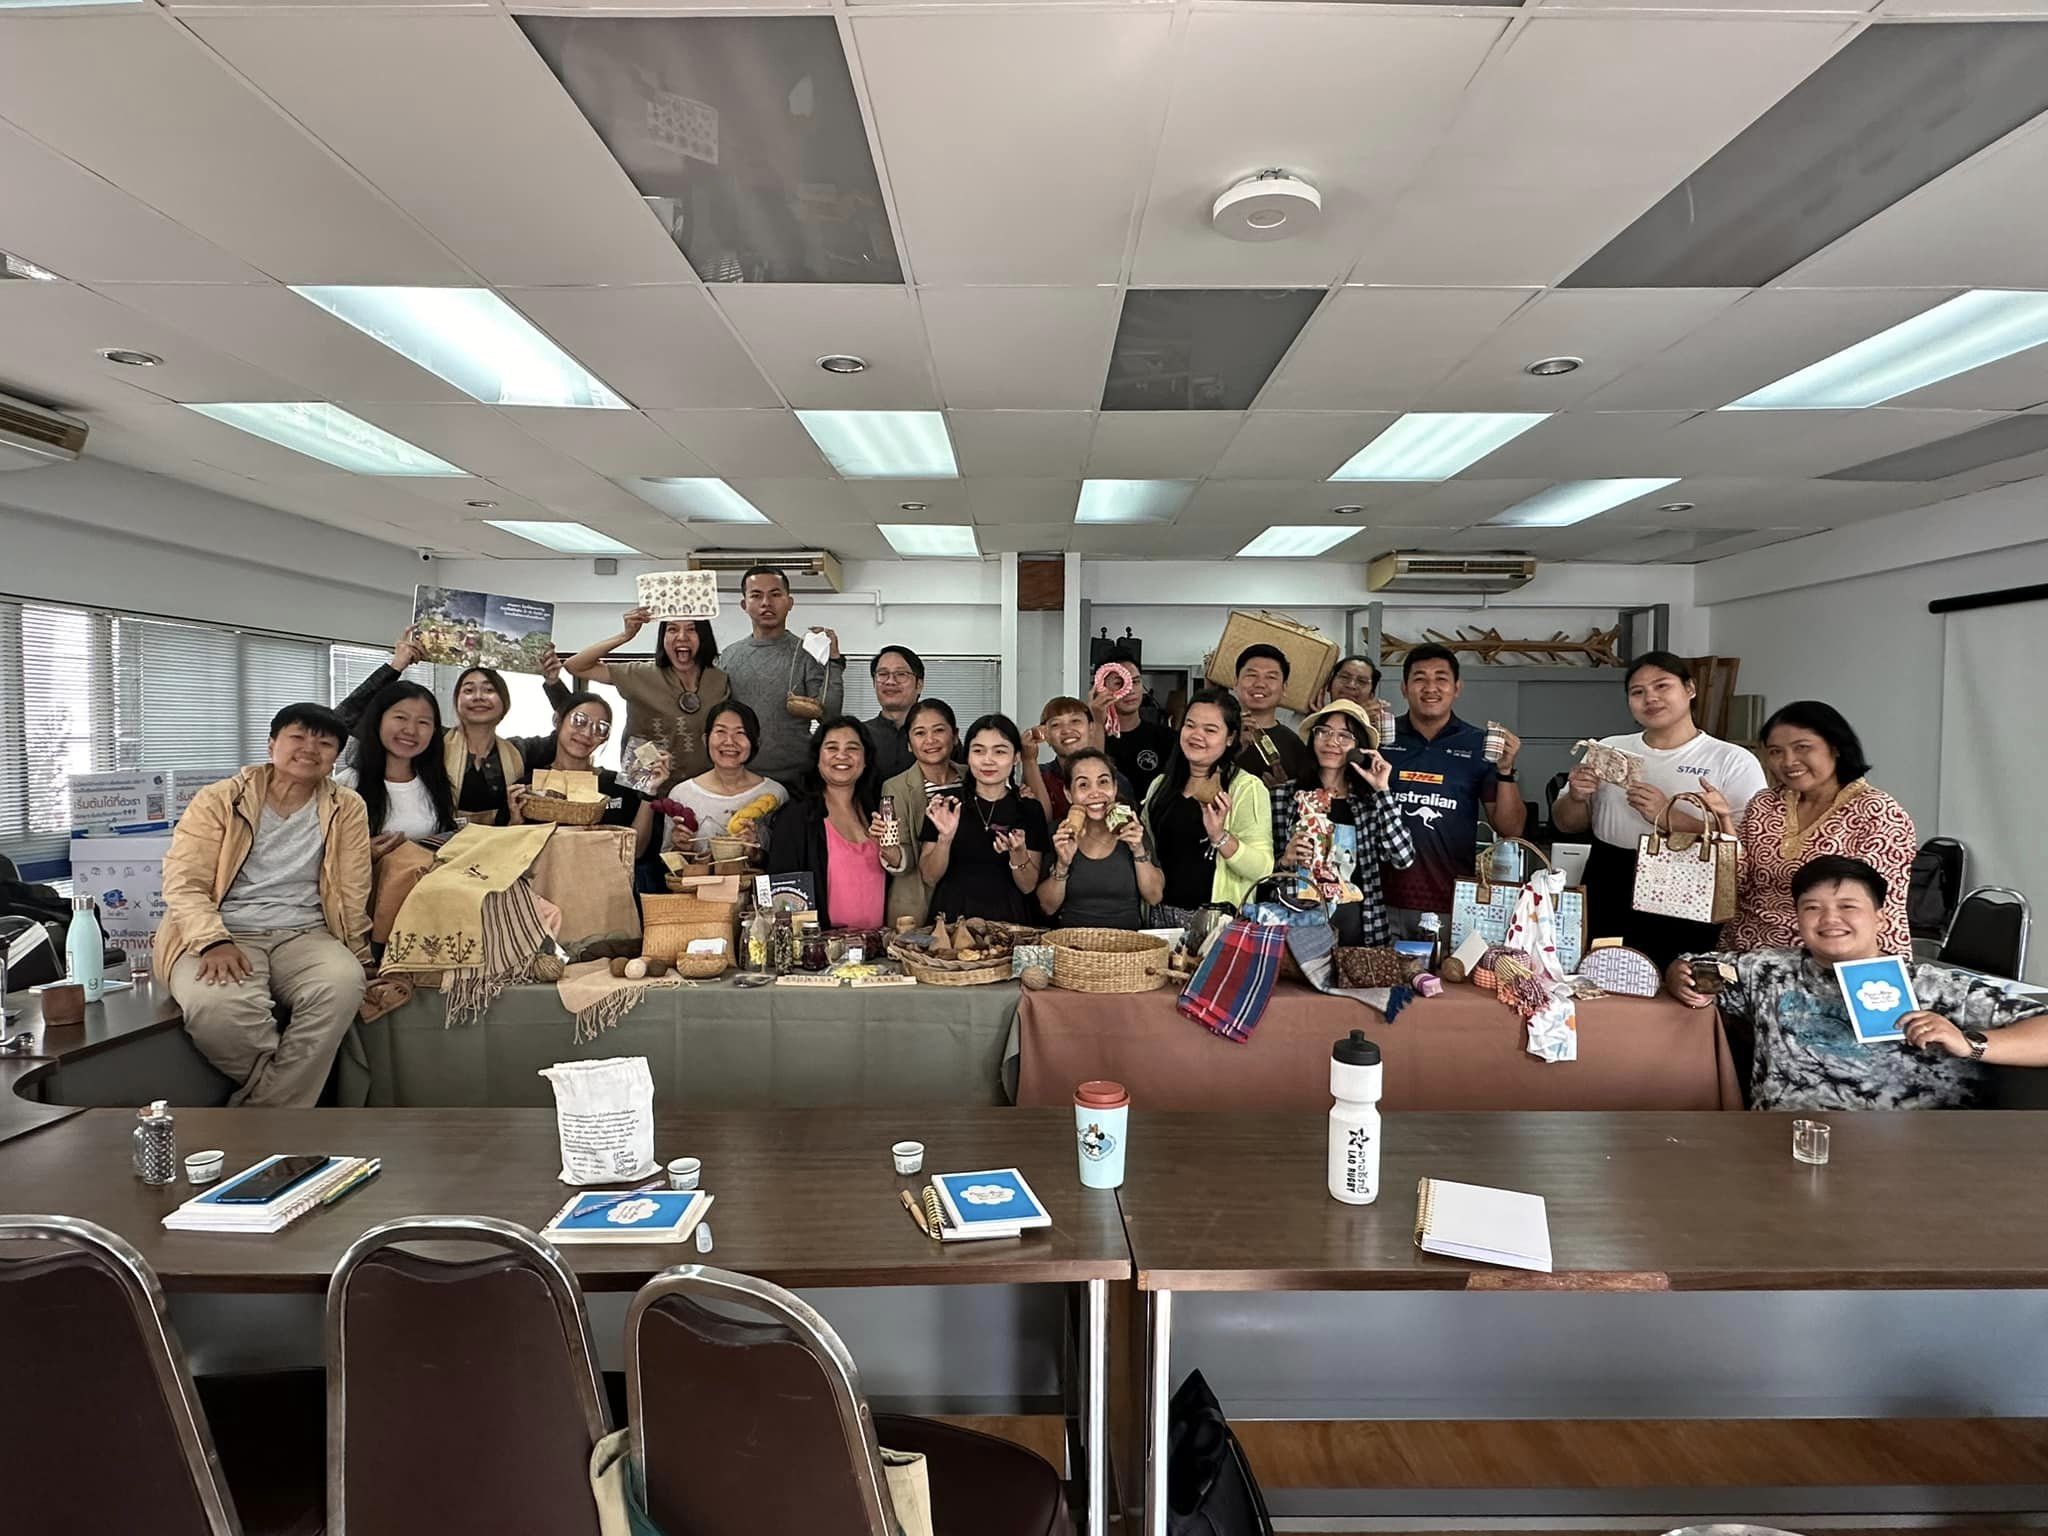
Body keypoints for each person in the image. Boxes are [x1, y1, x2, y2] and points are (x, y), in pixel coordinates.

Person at [1668, 856, 2048, 1111]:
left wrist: (1970, 1043)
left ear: (1881, 918)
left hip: (1911, 1157)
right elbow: (1693, 967)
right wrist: (1680, 976)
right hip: (1783, 1146)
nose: (1830, 919)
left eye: (1848, 906)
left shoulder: (1934, 987)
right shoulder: (1766, 971)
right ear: (1798, 919)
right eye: (1812, 908)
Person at [156, 703, 371, 1108]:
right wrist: (212, 941)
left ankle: (264, 1113)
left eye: (324, 743)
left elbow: (353, 888)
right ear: (271, 744)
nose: (310, 749)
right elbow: (184, 882)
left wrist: (360, 953)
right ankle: (281, 1109)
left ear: (336, 758)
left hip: (306, 933)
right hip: (223, 931)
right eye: (298, 737)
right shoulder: (221, 799)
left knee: (343, 983)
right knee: (215, 1007)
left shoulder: (347, 806)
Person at [1550, 652, 1768, 968]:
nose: (1650, 698)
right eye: (1637, 692)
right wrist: (1576, 798)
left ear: (1690, 689)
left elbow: (1747, 844)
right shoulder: (1610, 749)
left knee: (1678, 975)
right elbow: (1566, 824)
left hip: (1688, 878)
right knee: (1603, 971)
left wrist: (1669, 816)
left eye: (1662, 686)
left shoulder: (1731, 759)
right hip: (1610, 873)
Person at [1721, 701, 1916, 957]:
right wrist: (1722, 823)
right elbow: (1737, 883)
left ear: (1835, 747)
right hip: (1744, 952)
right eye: (1776, 752)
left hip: (1831, 956)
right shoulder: (1765, 803)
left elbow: (1877, 906)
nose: (1788, 761)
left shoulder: (1877, 812)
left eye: (1802, 747)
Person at [335, 626, 573, 822]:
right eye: (468, 690)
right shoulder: (432, 741)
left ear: (505, 702)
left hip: (502, 851)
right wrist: (396, 666)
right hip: (436, 851)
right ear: (456, 702)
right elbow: (345, 719)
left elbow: (572, 731)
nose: (478, 696)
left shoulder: (520, 751)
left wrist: (553, 682)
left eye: (489, 690)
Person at [1378, 644, 1526, 921]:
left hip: (1451, 900)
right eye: (1419, 678)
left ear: (1457, 688)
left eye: (1441, 678)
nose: (1430, 688)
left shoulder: (1478, 744)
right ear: (1404, 688)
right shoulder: (1380, 739)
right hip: (1380, 901)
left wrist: (1506, 770)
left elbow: (1511, 829)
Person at [1270, 701, 1416, 947]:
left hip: (1360, 934)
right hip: (1295, 935)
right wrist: (1285, 860)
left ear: (1360, 747)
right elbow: (1263, 876)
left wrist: (1382, 790)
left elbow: (1403, 858)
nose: (1332, 741)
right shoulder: (1284, 797)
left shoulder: (1369, 804)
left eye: (1344, 736)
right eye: (1324, 732)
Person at [1141, 687, 1275, 923]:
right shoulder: (1160, 785)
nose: (1196, 735)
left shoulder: (1245, 788)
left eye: (1210, 730)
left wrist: (1219, 836)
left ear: (1230, 737)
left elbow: (1262, 869)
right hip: (1159, 919)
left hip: (1216, 923)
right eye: (1190, 725)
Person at [561, 607, 729, 793]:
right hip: (646, 791)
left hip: (702, 790)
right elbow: (575, 666)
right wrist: (625, 636)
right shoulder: (641, 674)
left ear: (704, 637)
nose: (682, 636)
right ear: (663, 638)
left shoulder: (719, 680)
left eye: (691, 629)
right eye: (672, 629)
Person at [765, 717, 901, 931]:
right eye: (832, 748)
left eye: (852, 748)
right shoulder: (796, 817)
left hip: (877, 945)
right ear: (817, 758)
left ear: (865, 759)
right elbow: (782, 896)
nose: (842, 755)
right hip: (821, 946)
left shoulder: (877, 810)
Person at [716, 565, 845, 788]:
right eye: (756, 595)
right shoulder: (729, 656)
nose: (766, 603)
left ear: (789, 602)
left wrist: (833, 661)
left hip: (796, 781)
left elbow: (830, 716)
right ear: (744, 604)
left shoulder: (807, 653)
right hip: (739, 779)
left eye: (775, 594)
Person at [919, 714, 1050, 925]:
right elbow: (929, 877)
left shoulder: (1029, 809)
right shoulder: (946, 804)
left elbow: (1028, 886)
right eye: (979, 751)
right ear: (968, 756)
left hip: (1009, 920)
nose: (988, 760)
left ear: (1016, 757)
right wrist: (945, 838)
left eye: (1000, 751)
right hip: (953, 918)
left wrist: (1018, 853)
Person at [507, 693, 657, 858]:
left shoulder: (617, 786)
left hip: (604, 874)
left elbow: (636, 851)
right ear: (557, 720)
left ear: (605, 738)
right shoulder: (528, 787)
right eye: (579, 721)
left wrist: (649, 793)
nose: (587, 733)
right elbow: (509, 855)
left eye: (601, 728)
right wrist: (515, 822)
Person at [1039, 748, 1161, 929]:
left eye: (1103, 782)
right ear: (1068, 794)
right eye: (1083, 785)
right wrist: (1062, 865)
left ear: (1115, 787)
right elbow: (1047, 907)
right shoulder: (1059, 833)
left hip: (1128, 942)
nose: (1095, 793)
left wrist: (1138, 850)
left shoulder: (1132, 828)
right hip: (1071, 942)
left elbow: (1154, 896)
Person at [332, 680, 458, 854]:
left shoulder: (437, 783)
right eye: (400, 718)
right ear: (378, 720)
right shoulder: (344, 786)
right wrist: (361, 853)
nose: (411, 730)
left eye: (423, 722)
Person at [880, 699, 963, 927]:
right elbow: (904, 856)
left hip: (970, 898)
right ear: (909, 744)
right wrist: (891, 852)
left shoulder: (973, 777)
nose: (930, 740)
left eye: (939, 730)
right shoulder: (895, 787)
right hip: (918, 903)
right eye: (919, 733)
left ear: (955, 736)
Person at [667, 699, 788, 850]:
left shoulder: (776, 794)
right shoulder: (681, 795)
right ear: (705, 739)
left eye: (740, 733)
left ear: (755, 742)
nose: (729, 741)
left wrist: (756, 852)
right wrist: (680, 847)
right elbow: (667, 858)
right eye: (720, 732)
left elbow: (787, 858)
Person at [1023, 695, 1136, 824]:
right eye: (1056, 725)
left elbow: (1123, 827)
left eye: (1075, 721)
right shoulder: (1040, 774)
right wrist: (1029, 760)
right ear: (1046, 736)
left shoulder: (1114, 779)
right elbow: (1041, 823)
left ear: (1091, 728)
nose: (1066, 730)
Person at [1094, 645, 1174, 801]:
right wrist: (1097, 723)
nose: (1130, 690)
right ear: (1101, 689)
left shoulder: (1167, 739)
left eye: (1135, 682)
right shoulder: (1093, 741)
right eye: (1119, 683)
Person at [1232, 644, 1308, 788]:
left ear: (1284, 688)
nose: (1260, 684)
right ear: (1235, 683)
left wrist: (1282, 791)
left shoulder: (1294, 745)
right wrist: (1233, 749)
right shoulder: (1217, 734)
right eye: (1252, 675)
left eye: (1271, 677)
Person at [862, 645, 925, 782]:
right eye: (883, 674)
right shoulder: (860, 734)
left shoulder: (937, 735)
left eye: (901, 674)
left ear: (919, 685)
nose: (890, 681)